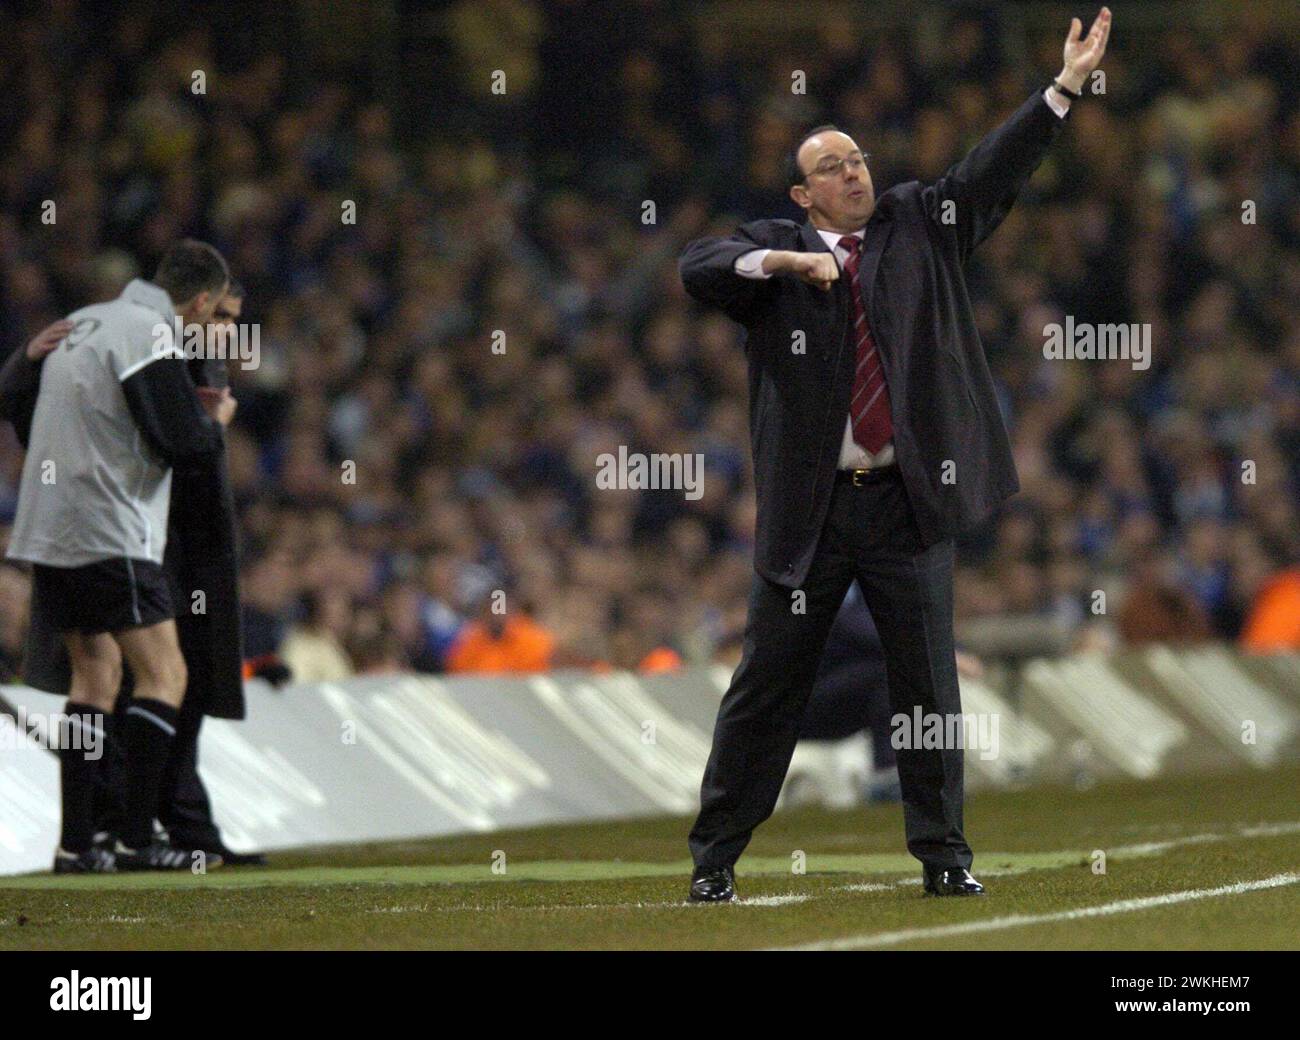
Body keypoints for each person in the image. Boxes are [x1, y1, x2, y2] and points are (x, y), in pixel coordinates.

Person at [677, 10, 1112, 902]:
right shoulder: (780, 250)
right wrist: (786, 268)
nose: (853, 172)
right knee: (766, 686)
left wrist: (1061, 90)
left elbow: (993, 172)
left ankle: (945, 857)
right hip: (813, 511)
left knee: (928, 688)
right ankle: (714, 857)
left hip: (906, 502)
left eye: (858, 158)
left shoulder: (920, 223)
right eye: (831, 167)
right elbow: (700, 265)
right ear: (802, 195)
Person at [4, 240, 235, 872]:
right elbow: (183, 443)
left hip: (47, 528)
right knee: (166, 677)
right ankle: (136, 838)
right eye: (216, 318)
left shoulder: (85, 321)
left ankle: (78, 844)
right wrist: (214, 423)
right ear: (201, 300)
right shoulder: (149, 332)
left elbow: (12, 398)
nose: (212, 333)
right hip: (108, 528)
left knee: (95, 678)